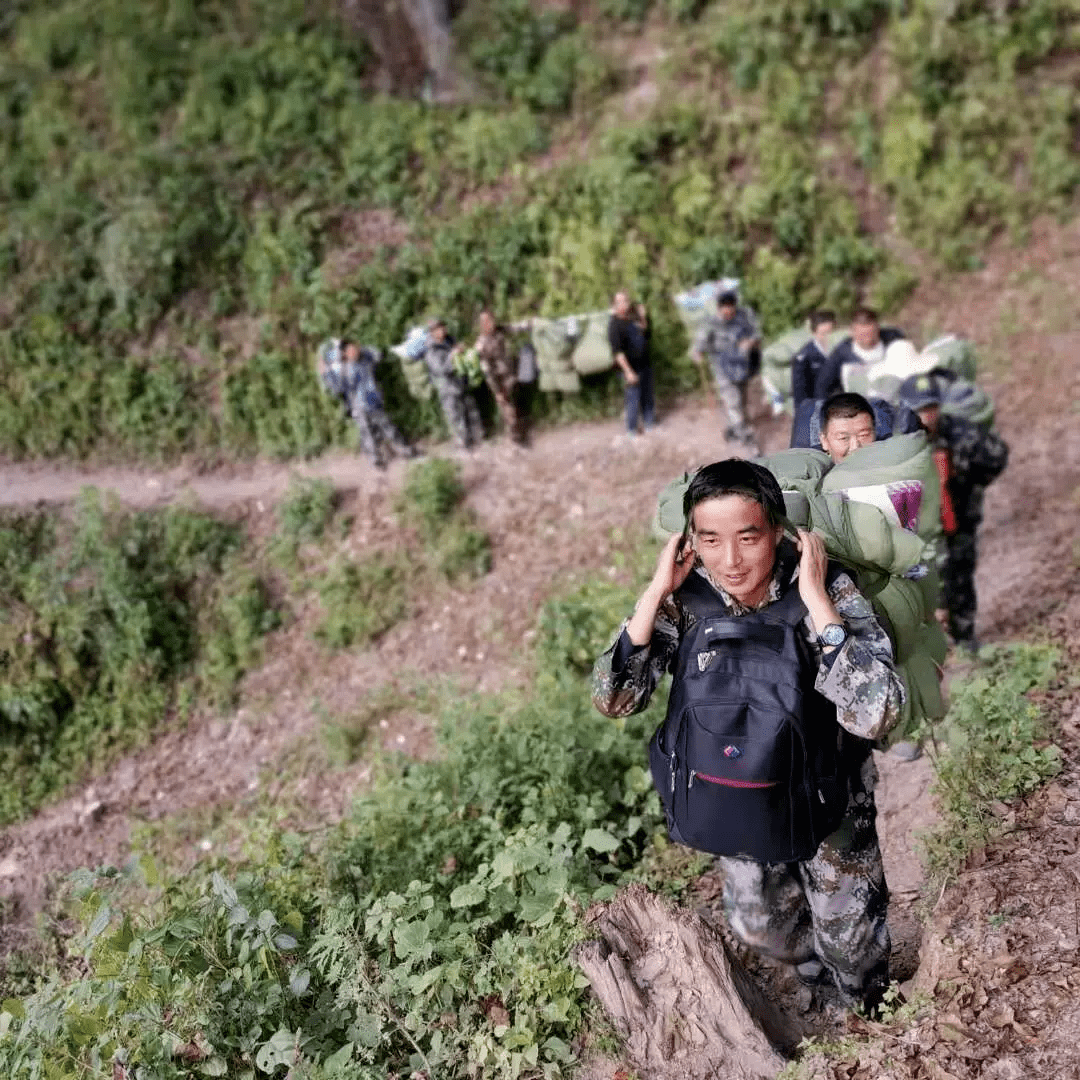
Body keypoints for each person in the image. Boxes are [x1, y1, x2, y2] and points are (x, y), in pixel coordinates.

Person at [592, 459, 904, 1013]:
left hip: (829, 796)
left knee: (851, 943)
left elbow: (879, 712)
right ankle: (814, 974)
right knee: (760, 926)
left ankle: (866, 1013)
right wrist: (656, 590)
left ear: (777, 532)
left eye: (748, 538)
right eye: (710, 540)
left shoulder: (825, 588)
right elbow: (616, 699)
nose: (730, 560)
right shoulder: (688, 598)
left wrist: (819, 606)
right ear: (691, 539)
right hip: (739, 792)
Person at [898, 373, 1009, 652]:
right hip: (919, 524)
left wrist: (968, 481)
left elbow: (996, 457)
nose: (928, 415)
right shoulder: (897, 441)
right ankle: (925, 639)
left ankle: (964, 636)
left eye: (931, 407)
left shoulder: (961, 431)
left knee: (960, 571)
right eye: (920, 409)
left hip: (959, 517)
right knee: (920, 577)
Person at [319, 339, 417, 469]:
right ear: (344, 353)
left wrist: (361, 349)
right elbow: (338, 389)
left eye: (355, 348)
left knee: (389, 427)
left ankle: (406, 451)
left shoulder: (366, 359)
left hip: (374, 401)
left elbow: (378, 354)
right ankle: (376, 461)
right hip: (358, 407)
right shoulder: (342, 369)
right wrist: (327, 374)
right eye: (350, 350)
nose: (354, 351)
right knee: (368, 435)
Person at [692, 290, 762, 454]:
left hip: (742, 367)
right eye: (725, 308)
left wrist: (750, 342)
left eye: (732, 308)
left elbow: (756, 334)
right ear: (719, 308)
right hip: (722, 368)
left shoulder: (743, 316)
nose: (729, 312)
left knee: (742, 401)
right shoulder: (710, 323)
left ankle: (733, 429)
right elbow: (699, 346)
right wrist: (698, 354)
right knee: (733, 403)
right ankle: (748, 442)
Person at [814, 309, 906, 401]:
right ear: (852, 332)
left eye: (871, 334)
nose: (867, 340)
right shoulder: (841, 353)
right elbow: (822, 387)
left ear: (878, 328)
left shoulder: (894, 339)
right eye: (862, 335)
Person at [423, 318, 483, 450]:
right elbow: (441, 369)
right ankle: (465, 447)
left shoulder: (450, 340)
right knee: (457, 419)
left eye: (443, 326)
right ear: (432, 332)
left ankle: (479, 440)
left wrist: (462, 351)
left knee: (472, 411)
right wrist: (452, 355)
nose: (443, 330)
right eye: (438, 328)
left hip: (462, 383)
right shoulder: (431, 351)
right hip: (448, 390)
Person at [473, 310, 530, 445]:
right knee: (508, 413)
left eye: (492, 320)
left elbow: (515, 328)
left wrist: (529, 324)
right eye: (487, 321)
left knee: (517, 408)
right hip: (499, 382)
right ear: (482, 324)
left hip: (510, 376)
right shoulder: (481, 345)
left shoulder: (499, 330)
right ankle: (515, 442)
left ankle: (521, 435)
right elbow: (487, 372)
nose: (491, 323)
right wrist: (497, 391)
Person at [608, 290, 654, 439]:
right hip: (630, 367)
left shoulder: (632, 318)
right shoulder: (614, 325)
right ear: (614, 305)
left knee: (648, 395)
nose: (624, 304)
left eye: (626, 300)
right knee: (633, 398)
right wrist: (628, 371)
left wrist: (643, 316)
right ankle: (631, 431)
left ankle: (649, 423)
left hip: (644, 364)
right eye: (620, 301)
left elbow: (645, 333)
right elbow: (618, 352)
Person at [791, 310, 836, 412]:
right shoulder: (804, 358)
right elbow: (800, 395)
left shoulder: (844, 350)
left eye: (831, 332)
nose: (828, 337)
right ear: (814, 333)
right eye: (824, 334)